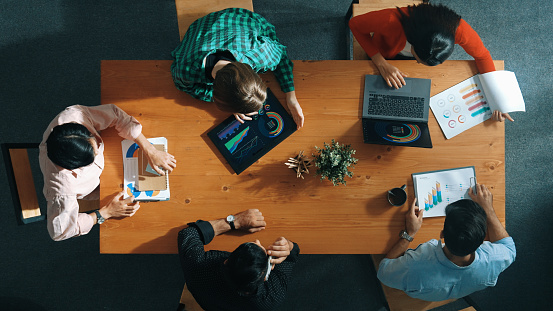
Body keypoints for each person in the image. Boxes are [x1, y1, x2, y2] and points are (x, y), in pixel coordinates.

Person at [349, 3, 513, 122]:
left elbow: (482, 55)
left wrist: (496, 101)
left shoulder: (458, 30)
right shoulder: (390, 20)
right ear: (412, 42)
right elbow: (354, 24)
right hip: (384, 54)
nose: (418, 63)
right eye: (419, 60)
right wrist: (381, 63)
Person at [39, 105, 177, 241]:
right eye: (92, 156)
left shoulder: (73, 116)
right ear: (72, 168)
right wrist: (105, 213)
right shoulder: (61, 189)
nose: (98, 152)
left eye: (93, 140)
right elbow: (59, 232)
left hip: (111, 164)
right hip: (97, 189)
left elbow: (115, 114)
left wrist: (150, 149)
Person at [377, 183, 516, 301]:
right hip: (450, 292)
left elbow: (383, 271)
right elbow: (509, 247)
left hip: (419, 288)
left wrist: (410, 233)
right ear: (483, 241)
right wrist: (489, 210)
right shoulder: (495, 259)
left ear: (442, 234)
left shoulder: (415, 266)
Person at [171, 8, 305, 129]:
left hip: (243, 21)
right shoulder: (186, 69)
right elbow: (184, 86)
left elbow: (280, 55)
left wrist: (291, 96)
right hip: (201, 29)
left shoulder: (259, 53)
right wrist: (229, 102)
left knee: (269, 36)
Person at [178, 209, 300, 311]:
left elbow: (189, 233)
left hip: (206, 298)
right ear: (264, 277)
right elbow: (292, 257)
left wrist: (234, 222)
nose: (257, 241)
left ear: (226, 261)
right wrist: (288, 247)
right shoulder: (273, 296)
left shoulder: (199, 269)